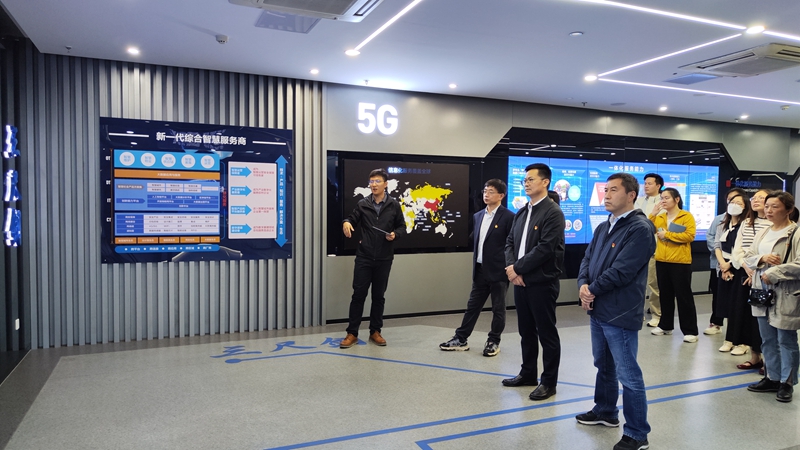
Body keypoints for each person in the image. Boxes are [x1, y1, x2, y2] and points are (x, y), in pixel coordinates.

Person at [576, 173, 655, 450]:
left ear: (631, 195)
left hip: (620, 311)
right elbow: (587, 259)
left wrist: (591, 290)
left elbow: (622, 271)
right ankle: (606, 410)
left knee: (628, 374)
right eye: (605, 190)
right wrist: (583, 285)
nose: (606, 195)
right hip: (599, 308)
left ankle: (637, 433)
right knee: (604, 365)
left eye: (613, 190)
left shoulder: (640, 229)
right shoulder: (604, 226)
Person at [502, 163, 565, 401]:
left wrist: (517, 268)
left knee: (546, 333)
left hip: (541, 282)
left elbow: (546, 248)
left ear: (545, 182)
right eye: (525, 180)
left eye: (531, 179)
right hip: (520, 281)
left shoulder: (553, 212)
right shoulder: (522, 212)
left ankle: (548, 382)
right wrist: (513, 270)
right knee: (526, 331)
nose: (526, 183)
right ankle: (528, 373)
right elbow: (510, 242)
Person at [440, 179, 515, 356]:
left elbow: (512, 245)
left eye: (491, 192)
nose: (486, 195)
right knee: (472, 306)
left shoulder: (509, 217)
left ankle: (493, 341)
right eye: (485, 191)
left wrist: (509, 266)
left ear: (501, 195)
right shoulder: (478, 216)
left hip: (498, 271)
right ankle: (461, 338)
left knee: (498, 308)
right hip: (480, 269)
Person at [339, 168, 406, 349]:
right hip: (364, 256)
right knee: (358, 295)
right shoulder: (363, 203)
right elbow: (352, 218)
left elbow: (402, 227)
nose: (374, 185)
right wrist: (346, 222)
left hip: (384, 258)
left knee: (378, 296)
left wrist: (395, 235)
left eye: (377, 181)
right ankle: (352, 333)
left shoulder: (393, 205)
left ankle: (375, 331)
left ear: (386, 184)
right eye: (371, 181)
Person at [744, 191, 800, 403]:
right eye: (767, 206)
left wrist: (774, 272)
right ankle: (772, 377)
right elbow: (748, 257)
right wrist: (762, 258)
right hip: (762, 292)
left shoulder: (796, 234)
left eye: (774, 206)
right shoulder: (763, 232)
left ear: (788, 210)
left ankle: (787, 382)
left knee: (786, 339)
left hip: (786, 293)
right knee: (767, 338)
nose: (768, 210)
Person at [727, 189, 771, 369]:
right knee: (746, 316)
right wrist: (746, 267)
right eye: (754, 197)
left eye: (762, 197)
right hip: (745, 272)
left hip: (765, 274)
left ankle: (769, 361)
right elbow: (737, 249)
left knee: (764, 318)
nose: (756, 200)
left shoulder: (773, 224)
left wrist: (756, 270)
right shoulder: (746, 222)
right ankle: (755, 357)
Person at [649, 188, 699, 341]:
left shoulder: (686, 216)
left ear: (676, 199)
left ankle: (690, 331)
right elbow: (648, 229)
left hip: (680, 262)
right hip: (662, 261)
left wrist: (668, 235)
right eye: (662, 198)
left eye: (666, 198)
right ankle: (665, 325)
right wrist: (652, 214)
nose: (663, 201)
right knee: (665, 295)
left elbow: (690, 236)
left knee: (684, 297)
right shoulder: (660, 216)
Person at [707, 189, 750, 335]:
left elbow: (743, 249)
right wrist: (723, 265)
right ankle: (719, 326)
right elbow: (716, 244)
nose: (734, 205)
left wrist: (729, 264)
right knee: (721, 298)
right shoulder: (721, 223)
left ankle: (736, 337)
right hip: (722, 265)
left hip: (739, 266)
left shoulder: (746, 225)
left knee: (737, 303)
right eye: (732, 201)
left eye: (738, 202)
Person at [635, 173, 663, 328]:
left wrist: (650, 217)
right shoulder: (638, 201)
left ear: (658, 186)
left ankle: (657, 314)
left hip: (654, 248)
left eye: (649, 183)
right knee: (636, 283)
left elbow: (655, 226)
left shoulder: (663, 203)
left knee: (653, 284)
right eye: (645, 183)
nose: (646, 186)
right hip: (638, 247)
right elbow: (637, 221)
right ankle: (638, 313)